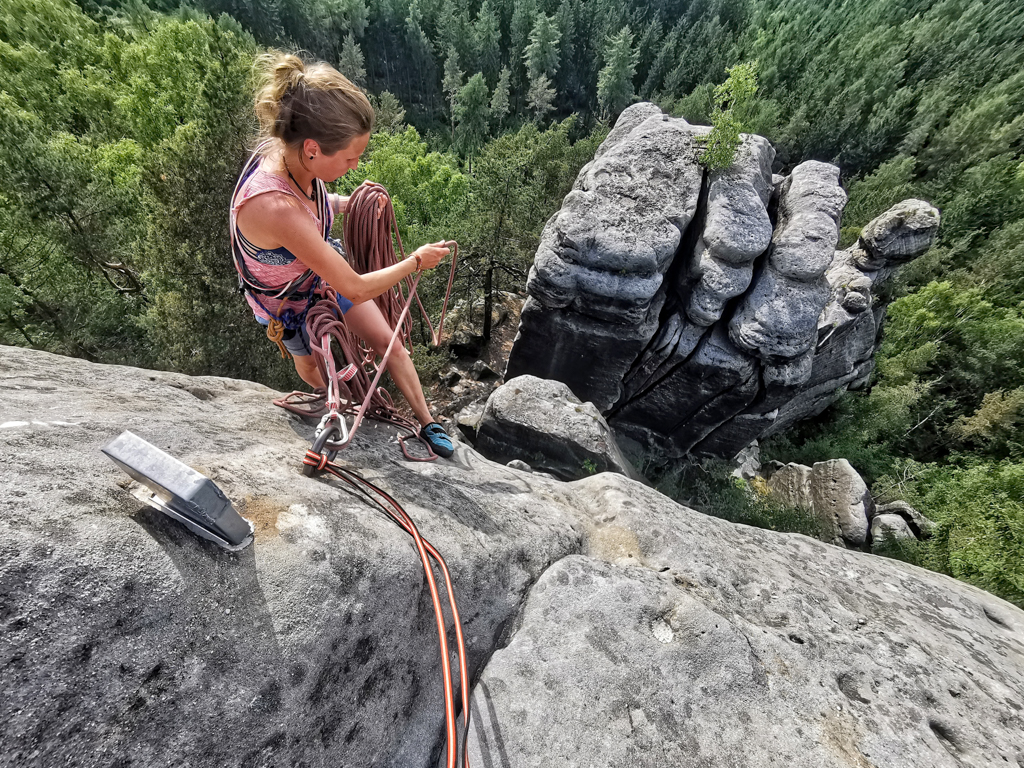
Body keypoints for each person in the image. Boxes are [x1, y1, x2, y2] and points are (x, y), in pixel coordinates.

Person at [230, 52, 455, 458]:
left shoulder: (293, 156)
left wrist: (351, 203)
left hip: (319, 276)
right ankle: (329, 398)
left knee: (390, 346)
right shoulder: (271, 205)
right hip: (287, 304)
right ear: (314, 149)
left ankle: (428, 420)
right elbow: (351, 284)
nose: (357, 164)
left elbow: (314, 202)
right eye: (351, 157)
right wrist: (416, 262)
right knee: (311, 362)